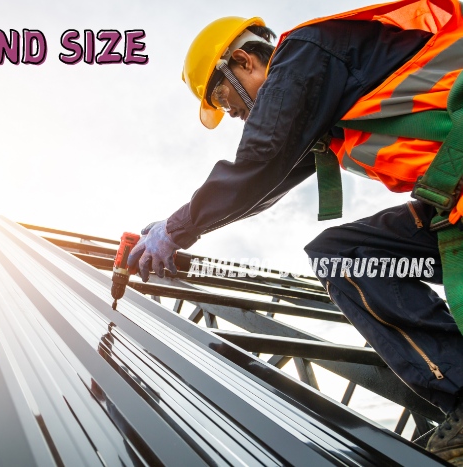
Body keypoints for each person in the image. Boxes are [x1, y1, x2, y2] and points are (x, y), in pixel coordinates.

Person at [126, 0, 463, 463]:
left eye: (227, 99)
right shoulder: (323, 96)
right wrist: (178, 227)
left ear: (243, 60)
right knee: (343, 254)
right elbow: (264, 184)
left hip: (457, 200)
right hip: (454, 203)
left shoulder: (303, 54)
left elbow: (259, 161)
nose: (237, 115)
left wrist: (177, 228)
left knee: (345, 255)